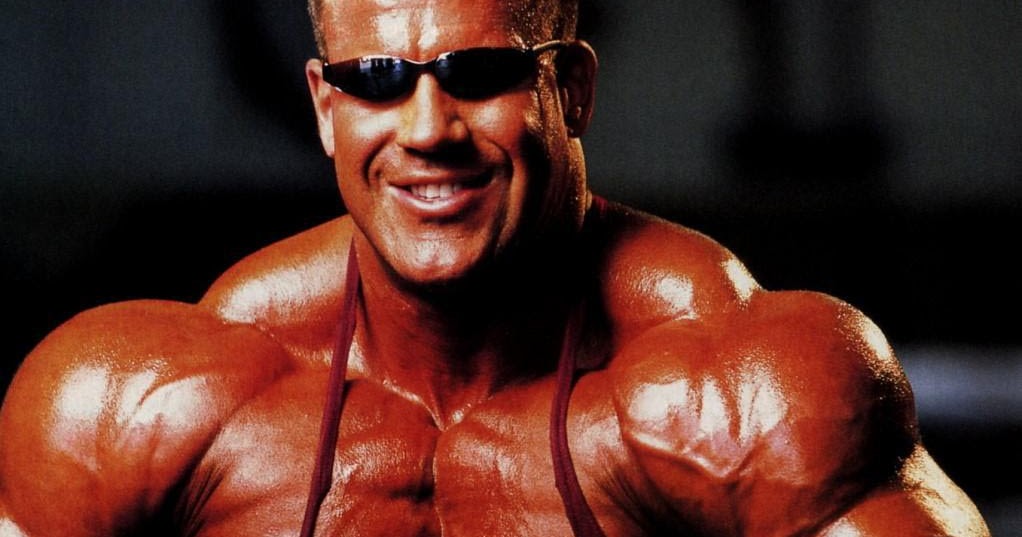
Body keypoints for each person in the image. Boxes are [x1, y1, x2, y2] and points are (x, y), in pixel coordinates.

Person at [0, 0, 990, 535]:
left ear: (571, 88)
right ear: (325, 107)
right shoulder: (134, 405)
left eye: (479, 74)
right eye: (376, 81)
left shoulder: (740, 390)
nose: (427, 129)